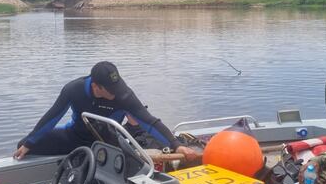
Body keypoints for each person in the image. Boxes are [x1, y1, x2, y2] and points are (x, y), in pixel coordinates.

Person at [13, 61, 198, 161]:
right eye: (112, 91)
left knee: (127, 165)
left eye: (117, 88)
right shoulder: (73, 89)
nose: (117, 94)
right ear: (96, 86)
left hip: (108, 142)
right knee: (23, 145)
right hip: (75, 137)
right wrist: (30, 142)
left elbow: (149, 121)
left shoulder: (123, 94)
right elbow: (52, 118)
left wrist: (175, 145)